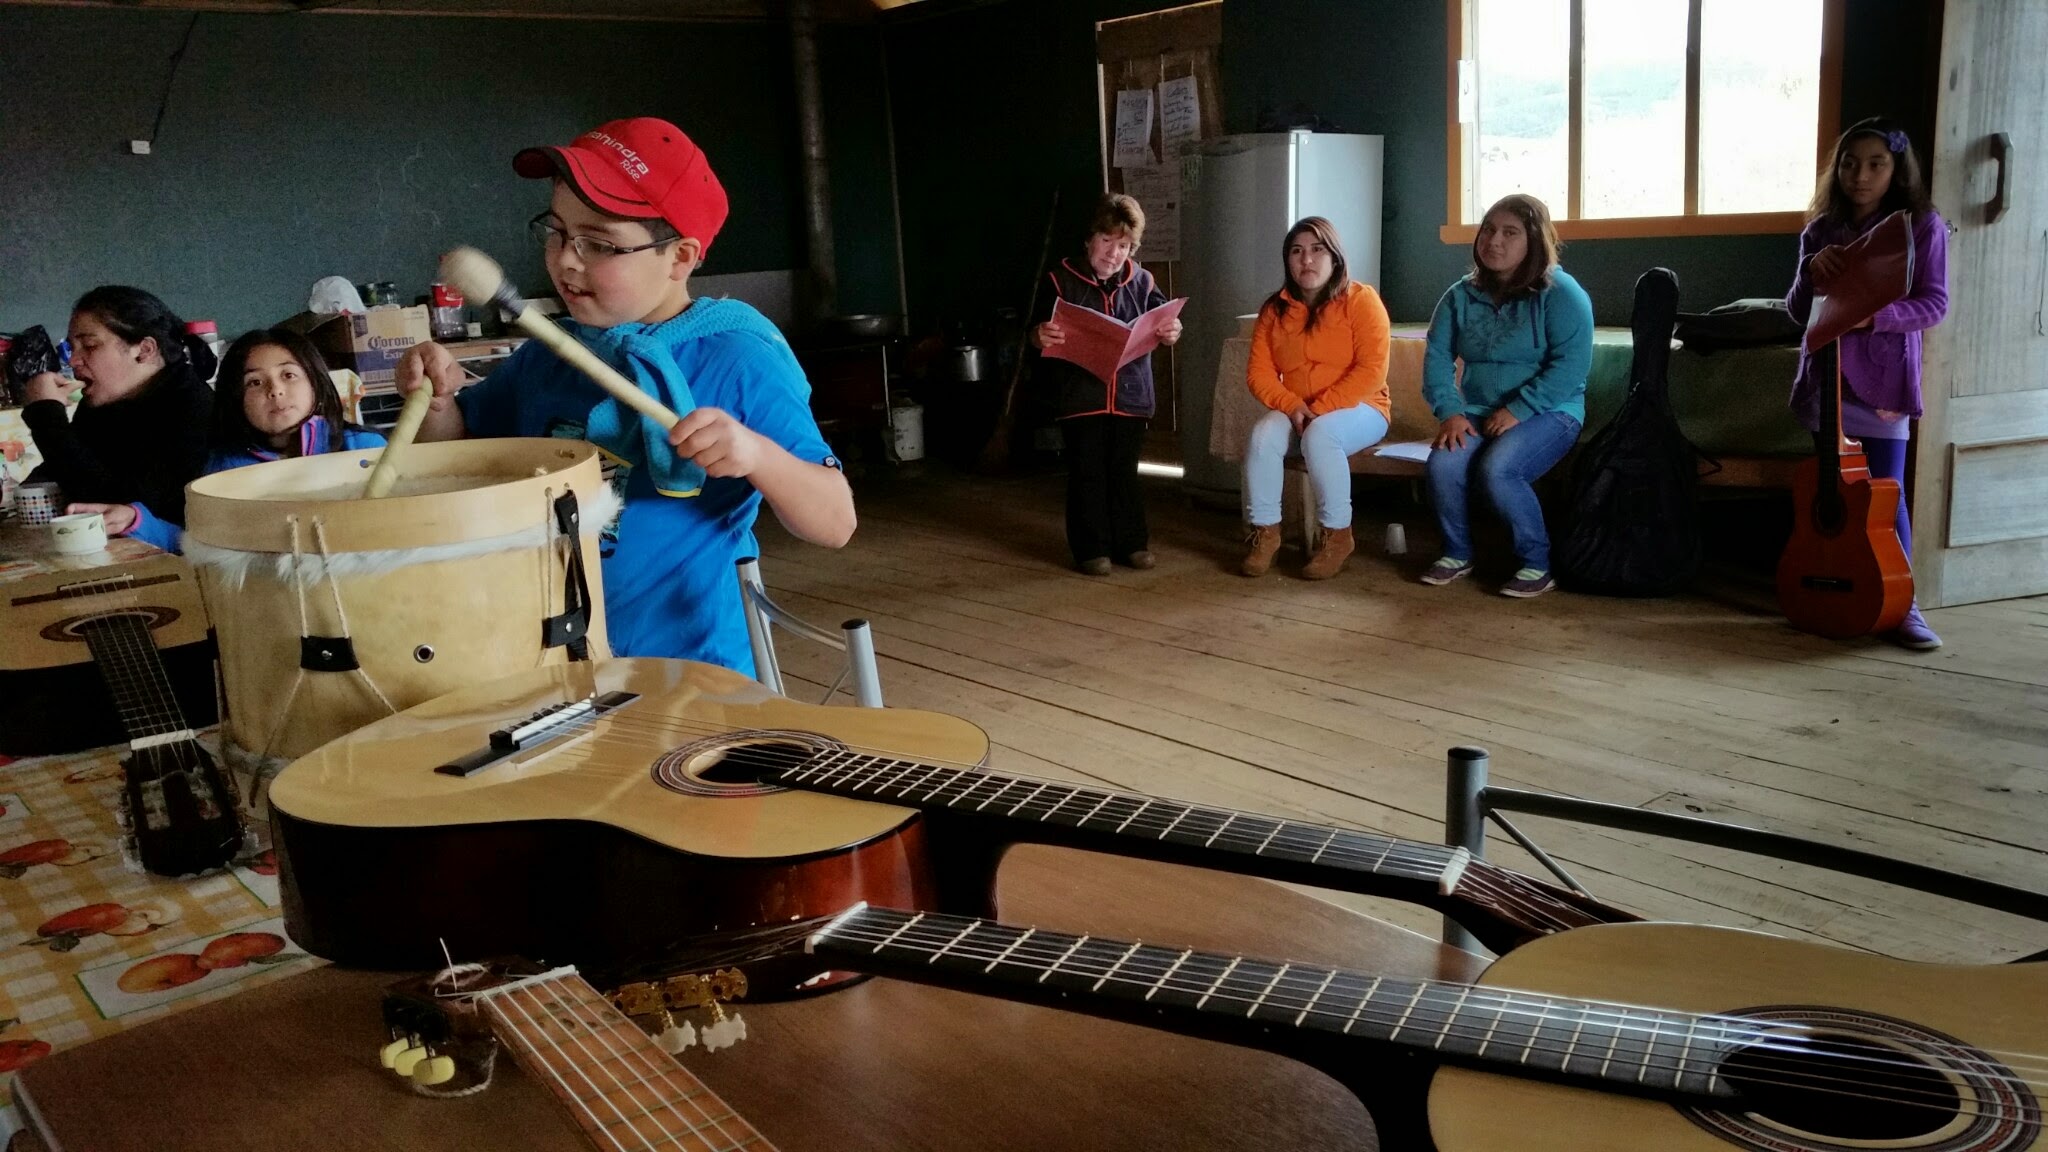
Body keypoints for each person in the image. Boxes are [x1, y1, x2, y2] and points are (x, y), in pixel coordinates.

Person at [395, 117, 854, 675]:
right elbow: (461, 448)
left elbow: (835, 522)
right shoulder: (551, 352)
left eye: (600, 243)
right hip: (543, 661)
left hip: (690, 671)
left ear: (680, 257)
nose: (566, 259)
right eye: (558, 232)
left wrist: (758, 455)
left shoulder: (737, 358)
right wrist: (439, 402)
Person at [1786, 117, 1949, 650]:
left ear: (1896, 168)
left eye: (1876, 164)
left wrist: (1869, 318)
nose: (1861, 175)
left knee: (1885, 495)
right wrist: (1812, 272)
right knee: (1836, 495)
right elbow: (1796, 311)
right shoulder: (1820, 230)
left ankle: (1903, 605)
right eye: (1850, 163)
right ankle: (1836, 590)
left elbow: (1934, 303)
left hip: (1882, 383)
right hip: (1826, 385)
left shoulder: (1919, 225)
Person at [72, 329, 387, 553]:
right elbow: (203, 546)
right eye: (254, 382)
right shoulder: (223, 471)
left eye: (288, 375)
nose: (274, 390)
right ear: (237, 400)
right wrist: (137, 520)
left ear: (316, 384)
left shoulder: (362, 449)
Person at [1420, 194, 1593, 598]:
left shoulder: (1563, 293)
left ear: (1534, 240)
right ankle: (1457, 552)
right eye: (1488, 230)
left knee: (1499, 470)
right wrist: (1449, 411)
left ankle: (1537, 562)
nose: (1494, 241)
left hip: (1552, 410)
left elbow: (1571, 366)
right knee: (1443, 464)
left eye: (1510, 233)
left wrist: (1519, 409)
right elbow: (1437, 359)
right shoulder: (1459, 296)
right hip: (1476, 411)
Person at [1031, 193, 1181, 575]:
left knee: (1124, 471)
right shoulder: (1059, 280)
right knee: (1088, 472)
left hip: (1130, 395)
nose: (1115, 253)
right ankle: (1090, 550)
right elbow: (1033, 332)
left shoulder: (1144, 281)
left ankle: (1132, 544)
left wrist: (1170, 330)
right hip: (1081, 395)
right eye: (1107, 241)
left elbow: (1164, 320)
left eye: (1125, 245)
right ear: (1089, 239)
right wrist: (1039, 335)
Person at [1239, 217, 1392, 580]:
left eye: (1317, 249)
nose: (1306, 260)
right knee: (1262, 435)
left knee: (1322, 435)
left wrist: (1318, 411)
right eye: (1297, 252)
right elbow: (1258, 374)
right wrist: (1293, 406)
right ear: (1288, 261)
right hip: (1299, 409)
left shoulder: (1361, 300)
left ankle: (1337, 537)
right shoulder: (1273, 310)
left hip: (1363, 407)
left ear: (1335, 257)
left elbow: (1372, 371)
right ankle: (1266, 534)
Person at [20, 286, 214, 533]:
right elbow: (62, 473)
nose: (73, 361)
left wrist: (46, 414)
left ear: (144, 350)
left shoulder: (193, 408)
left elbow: (110, 504)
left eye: (89, 346)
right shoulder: (101, 404)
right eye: (72, 348)